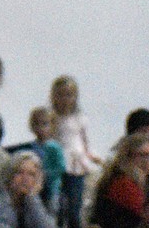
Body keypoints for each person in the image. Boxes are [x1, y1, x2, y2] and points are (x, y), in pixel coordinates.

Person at [49, 78, 101, 228]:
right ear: (54, 96)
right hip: (57, 163)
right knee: (57, 205)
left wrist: (91, 156)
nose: (65, 99)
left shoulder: (80, 118)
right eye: (61, 95)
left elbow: (85, 141)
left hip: (75, 163)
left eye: (69, 95)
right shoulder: (52, 117)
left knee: (74, 206)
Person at [0, 152, 55, 228]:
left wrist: (32, 197)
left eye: (31, 175)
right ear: (8, 174)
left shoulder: (31, 202)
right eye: (19, 172)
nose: (25, 179)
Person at [92, 130, 149, 228]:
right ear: (128, 157)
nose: (147, 161)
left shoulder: (145, 181)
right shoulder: (121, 183)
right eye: (142, 155)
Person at [12, 108, 65, 215]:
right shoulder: (30, 147)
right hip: (34, 188)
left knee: (50, 212)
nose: (40, 128)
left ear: (52, 126)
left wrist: (46, 173)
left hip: (51, 188)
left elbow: (61, 167)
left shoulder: (55, 147)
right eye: (36, 124)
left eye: (44, 124)